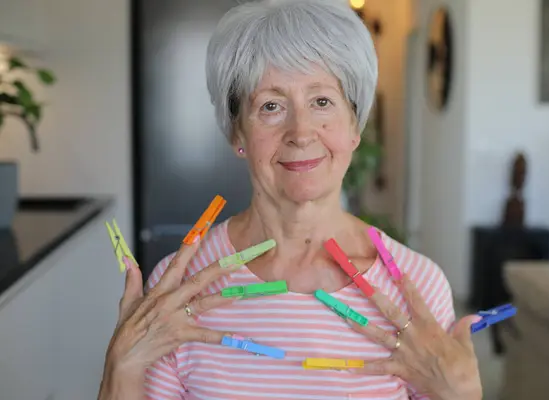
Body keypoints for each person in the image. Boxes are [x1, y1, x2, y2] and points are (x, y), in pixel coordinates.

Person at [97, 0, 483, 399]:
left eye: (321, 102)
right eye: (271, 106)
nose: (301, 132)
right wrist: (122, 362)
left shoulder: (417, 287)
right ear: (237, 134)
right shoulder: (177, 288)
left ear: (355, 126)